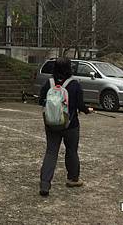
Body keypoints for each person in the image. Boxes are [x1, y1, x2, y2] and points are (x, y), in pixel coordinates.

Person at [38, 57, 93, 196]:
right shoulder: (74, 84)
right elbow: (80, 105)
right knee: (71, 150)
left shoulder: (48, 83)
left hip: (51, 124)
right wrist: (88, 110)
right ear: (70, 68)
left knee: (51, 152)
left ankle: (45, 185)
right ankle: (73, 178)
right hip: (71, 125)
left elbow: (41, 101)